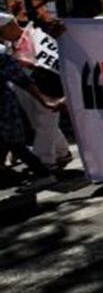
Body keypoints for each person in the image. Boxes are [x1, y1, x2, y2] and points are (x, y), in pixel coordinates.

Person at [0, 12, 63, 193]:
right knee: (39, 122)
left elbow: (48, 61)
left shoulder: (36, 37)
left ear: (11, 25)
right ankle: (61, 152)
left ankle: (45, 163)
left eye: (2, 30)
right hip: (23, 89)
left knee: (45, 120)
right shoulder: (8, 44)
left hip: (44, 85)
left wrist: (28, 64)